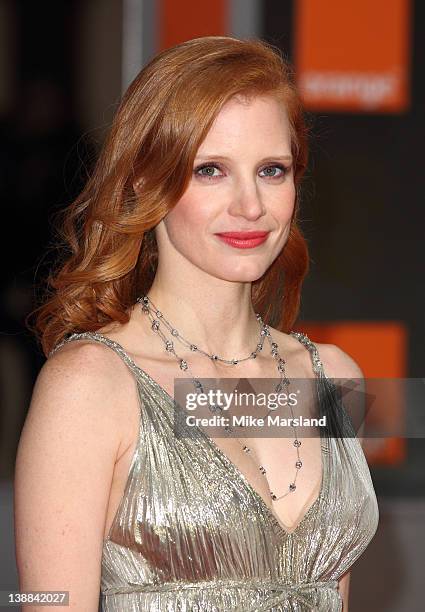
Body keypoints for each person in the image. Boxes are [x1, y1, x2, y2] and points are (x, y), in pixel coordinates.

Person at [14, 36, 379, 611]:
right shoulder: (90, 385)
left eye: (271, 170)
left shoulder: (334, 378)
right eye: (210, 170)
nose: (250, 205)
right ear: (143, 183)